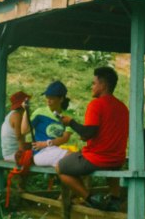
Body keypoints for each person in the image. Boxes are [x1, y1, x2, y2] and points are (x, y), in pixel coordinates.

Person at [56, 66, 130, 210]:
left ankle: (91, 198)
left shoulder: (96, 104)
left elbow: (89, 132)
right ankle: (115, 199)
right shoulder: (122, 107)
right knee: (112, 167)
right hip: (117, 159)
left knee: (60, 167)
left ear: (103, 85)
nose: (92, 86)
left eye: (94, 83)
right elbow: (100, 132)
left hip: (97, 158)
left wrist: (70, 122)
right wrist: (86, 134)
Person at [30, 81, 75, 167]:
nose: (48, 101)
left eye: (52, 98)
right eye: (47, 97)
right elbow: (24, 130)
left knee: (78, 163)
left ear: (61, 99)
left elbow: (65, 138)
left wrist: (47, 143)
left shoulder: (67, 116)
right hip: (40, 152)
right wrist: (25, 110)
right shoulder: (40, 112)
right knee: (76, 158)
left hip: (55, 150)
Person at [0, 91, 32, 161]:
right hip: (13, 154)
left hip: (14, 150)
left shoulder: (16, 114)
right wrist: (23, 154)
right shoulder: (16, 116)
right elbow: (19, 137)